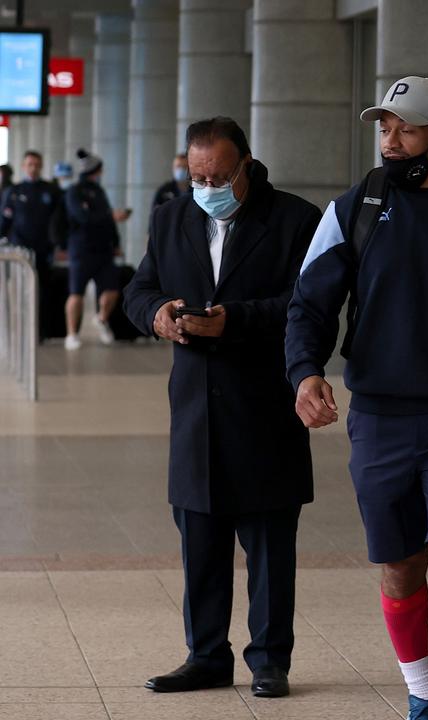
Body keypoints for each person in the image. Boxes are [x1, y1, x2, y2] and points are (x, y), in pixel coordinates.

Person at [286, 76, 428, 720]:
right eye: (384, 127)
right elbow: (310, 303)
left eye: (406, 128)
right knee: (399, 567)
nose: (390, 141)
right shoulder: (355, 208)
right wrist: (305, 372)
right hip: (381, 415)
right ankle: (422, 690)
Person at [123, 117, 319, 699]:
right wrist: (156, 313)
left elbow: (305, 305)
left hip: (264, 408)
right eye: (195, 174)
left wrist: (236, 320)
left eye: (218, 175)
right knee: (200, 545)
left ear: (246, 165)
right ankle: (206, 655)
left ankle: (269, 660)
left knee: (268, 547)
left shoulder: (294, 220)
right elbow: (139, 290)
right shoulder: (169, 219)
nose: (205, 185)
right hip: (194, 413)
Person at [63, 148, 131, 349]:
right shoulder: (74, 192)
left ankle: (101, 319)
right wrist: (111, 216)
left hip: (104, 250)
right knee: (76, 293)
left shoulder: (99, 192)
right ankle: (72, 334)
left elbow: (108, 222)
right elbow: (83, 218)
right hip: (81, 250)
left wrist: (116, 243)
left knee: (112, 290)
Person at [0, 152, 62, 332]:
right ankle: (19, 327)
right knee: (19, 290)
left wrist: (58, 245)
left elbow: (58, 222)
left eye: (36, 164)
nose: (33, 168)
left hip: (44, 250)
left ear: (41, 166)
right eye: (29, 164)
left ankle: (40, 329)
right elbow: (5, 221)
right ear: (23, 166)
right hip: (19, 250)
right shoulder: (14, 191)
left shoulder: (51, 191)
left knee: (42, 291)